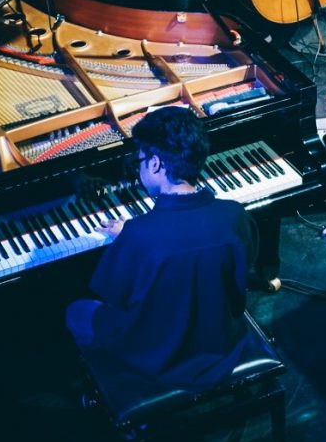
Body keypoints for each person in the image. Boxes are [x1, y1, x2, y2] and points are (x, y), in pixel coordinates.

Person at [65, 106, 258, 390]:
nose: (139, 166)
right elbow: (240, 275)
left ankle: (115, 389)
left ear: (155, 164)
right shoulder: (236, 215)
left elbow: (117, 300)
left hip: (157, 359)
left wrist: (128, 236)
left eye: (139, 159)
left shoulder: (138, 234)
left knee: (77, 311)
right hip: (222, 345)